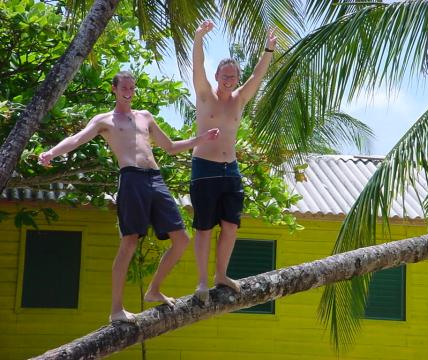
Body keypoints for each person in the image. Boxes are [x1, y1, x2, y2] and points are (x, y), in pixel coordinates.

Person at [38, 71, 220, 322]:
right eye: (124, 87)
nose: (129, 91)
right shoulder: (105, 120)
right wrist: (51, 152)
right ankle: (116, 310)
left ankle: (154, 289)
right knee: (129, 243)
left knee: (181, 239)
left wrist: (201, 139)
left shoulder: (145, 117)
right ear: (114, 88)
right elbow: (77, 139)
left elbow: (170, 147)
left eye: (132, 87)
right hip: (131, 179)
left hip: (155, 178)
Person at [190, 20, 277, 303]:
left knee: (231, 226)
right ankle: (202, 282)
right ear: (217, 75)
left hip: (231, 170)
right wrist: (199, 38)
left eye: (232, 76)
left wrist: (268, 50)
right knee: (204, 228)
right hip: (204, 169)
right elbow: (197, 67)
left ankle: (221, 275)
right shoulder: (205, 95)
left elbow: (258, 76)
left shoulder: (239, 100)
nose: (228, 80)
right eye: (224, 75)